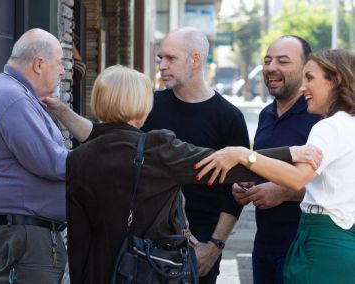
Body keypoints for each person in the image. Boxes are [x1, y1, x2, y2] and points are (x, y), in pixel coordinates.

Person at [65, 64, 297, 284]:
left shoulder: (78, 158)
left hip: (97, 273)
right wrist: (292, 154)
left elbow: (78, 237)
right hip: (150, 271)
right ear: (142, 105)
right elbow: (226, 165)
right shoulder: (157, 148)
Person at [195, 48, 355, 284]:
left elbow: (296, 178)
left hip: (321, 241)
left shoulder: (328, 127)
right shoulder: (349, 124)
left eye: (310, 78)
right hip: (341, 237)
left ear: (336, 80)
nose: (303, 87)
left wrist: (243, 155)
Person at [141, 26, 250, 284]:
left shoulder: (229, 117)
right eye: (160, 58)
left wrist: (214, 247)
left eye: (170, 58)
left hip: (199, 244)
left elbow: (234, 195)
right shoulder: (149, 106)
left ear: (196, 60)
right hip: (146, 241)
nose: (162, 65)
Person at [231, 35, 321, 284]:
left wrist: (285, 192)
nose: (271, 68)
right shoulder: (265, 114)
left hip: (304, 249)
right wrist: (246, 184)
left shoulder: (320, 116)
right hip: (264, 244)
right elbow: (264, 166)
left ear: (306, 69)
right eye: (267, 60)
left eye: (283, 61)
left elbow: (336, 185)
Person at [0, 29, 68, 283]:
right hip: (22, 236)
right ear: (39, 64)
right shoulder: (13, 97)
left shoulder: (13, 93)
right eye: (59, 63)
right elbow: (52, 163)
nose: (62, 71)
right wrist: (99, 160)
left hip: (21, 233)